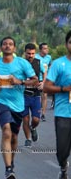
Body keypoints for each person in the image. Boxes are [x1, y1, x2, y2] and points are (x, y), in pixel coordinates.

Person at [0, 37, 38, 179]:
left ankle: (11, 161)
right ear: (1, 47)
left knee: (15, 136)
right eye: (5, 44)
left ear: (14, 48)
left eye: (10, 44)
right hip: (1, 101)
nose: (7, 46)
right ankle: (8, 168)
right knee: (6, 131)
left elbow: (35, 80)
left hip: (18, 104)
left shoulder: (22, 63)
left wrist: (20, 81)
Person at [43, 31, 71, 179]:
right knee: (62, 149)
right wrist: (63, 89)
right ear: (66, 44)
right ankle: (63, 166)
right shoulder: (59, 64)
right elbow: (46, 87)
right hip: (64, 113)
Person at [22, 43, 45, 147]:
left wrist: (43, 83)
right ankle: (28, 139)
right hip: (23, 95)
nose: (30, 55)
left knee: (36, 119)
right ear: (24, 53)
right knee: (25, 118)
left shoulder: (39, 62)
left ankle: (33, 127)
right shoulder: (20, 63)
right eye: (28, 53)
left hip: (36, 95)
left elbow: (45, 73)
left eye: (32, 53)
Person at [35, 42, 52, 121]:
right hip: (36, 79)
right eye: (45, 48)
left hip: (45, 79)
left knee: (44, 96)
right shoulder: (35, 57)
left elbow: (50, 67)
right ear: (40, 50)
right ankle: (37, 112)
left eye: (47, 48)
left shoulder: (49, 57)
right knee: (37, 97)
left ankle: (43, 114)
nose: (47, 50)